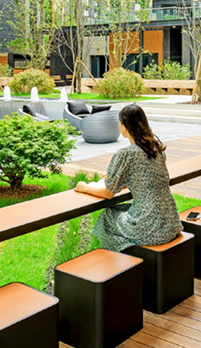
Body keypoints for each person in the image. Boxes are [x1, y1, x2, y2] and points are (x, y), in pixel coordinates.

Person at [75, 104, 182, 252]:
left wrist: (84, 187)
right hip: (170, 222)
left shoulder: (126, 154)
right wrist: (122, 178)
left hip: (150, 228)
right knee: (121, 210)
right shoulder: (156, 149)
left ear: (124, 126)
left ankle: (120, 258)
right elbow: (146, 177)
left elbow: (108, 193)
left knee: (107, 216)